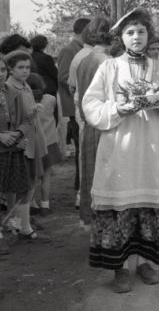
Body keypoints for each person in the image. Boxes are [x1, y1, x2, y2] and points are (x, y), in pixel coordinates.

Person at [82, 8, 159, 293]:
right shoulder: (109, 67)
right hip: (120, 146)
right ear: (121, 38)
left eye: (141, 31)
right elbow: (91, 105)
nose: (136, 36)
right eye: (130, 32)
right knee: (121, 202)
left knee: (148, 201)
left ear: (148, 34)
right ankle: (121, 268)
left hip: (151, 146)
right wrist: (119, 108)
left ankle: (145, 263)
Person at [3, 50, 50, 243]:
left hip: (32, 141)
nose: (25, 71)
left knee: (29, 185)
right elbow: (12, 121)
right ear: (10, 69)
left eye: (27, 67)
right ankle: (21, 225)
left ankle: (21, 223)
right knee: (23, 186)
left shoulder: (25, 85)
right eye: (20, 67)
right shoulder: (9, 89)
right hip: (21, 144)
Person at [75, 17, 112, 229]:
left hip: (88, 126)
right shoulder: (107, 62)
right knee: (104, 179)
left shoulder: (85, 60)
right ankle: (104, 226)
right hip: (103, 126)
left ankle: (91, 222)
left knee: (90, 177)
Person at [0, 55, 34, 254]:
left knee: (18, 189)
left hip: (14, 148)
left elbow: (27, 120)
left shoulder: (13, 92)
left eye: (2, 70)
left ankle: (17, 227)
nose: (0, 74)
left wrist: (19, 134)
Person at [57, 17, 91, 205]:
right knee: (81, 149)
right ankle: (80, 186)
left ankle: (81, 185)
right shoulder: (69, 50)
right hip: (75, 107)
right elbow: (63, 77)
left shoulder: (82, 49)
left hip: (84, 105)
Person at [26, 73, 62, 217]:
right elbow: (58, 118)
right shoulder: (51, 99)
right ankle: (45, 204)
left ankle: (30, 204)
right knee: (46, 176)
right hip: (50, 143)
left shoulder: (25, 101)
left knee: (32, 177)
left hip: (33, 145)